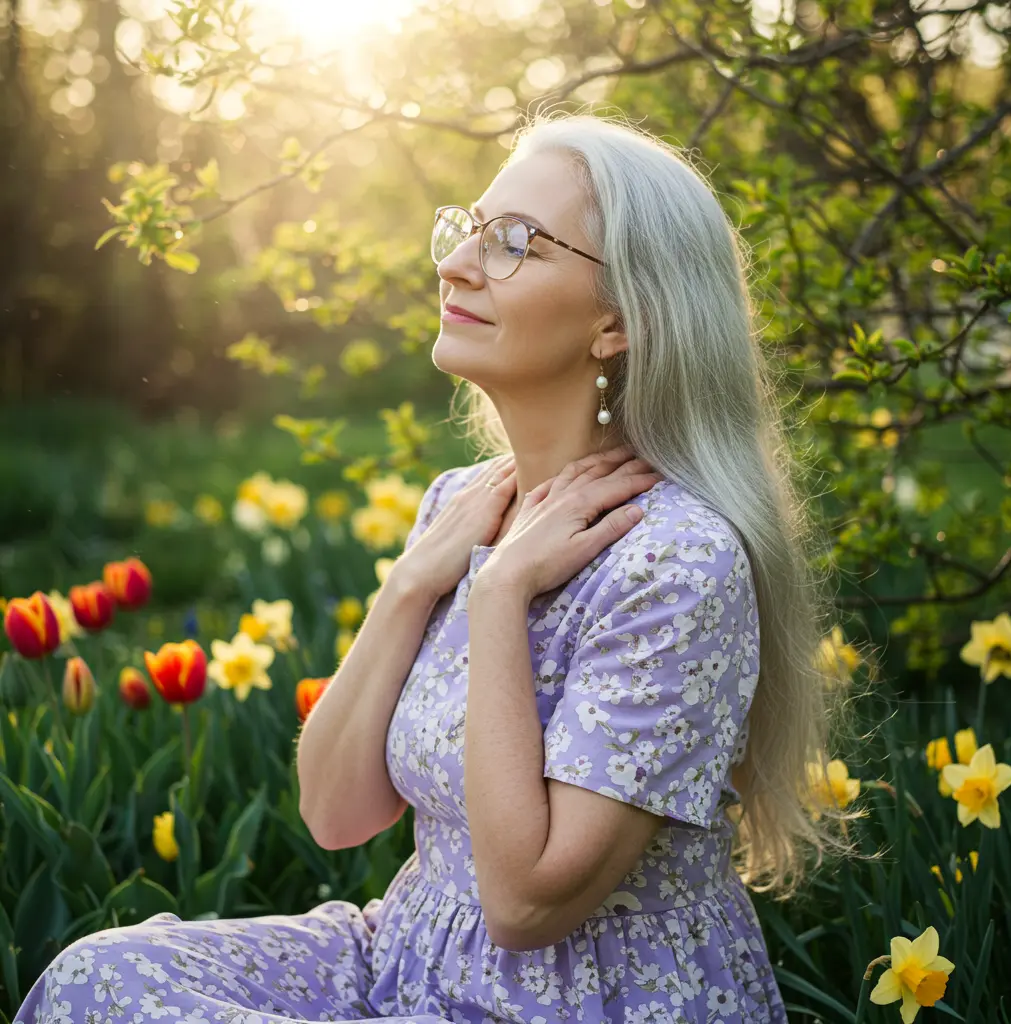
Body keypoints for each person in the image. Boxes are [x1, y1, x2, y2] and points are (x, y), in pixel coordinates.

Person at [15, 110, 851, 1024]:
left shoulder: (676, 563)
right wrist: (414, 582)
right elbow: (335, 812)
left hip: (574, 1003)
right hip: (411, 957)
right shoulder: (464, 505)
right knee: (98, 981)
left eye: (515, 243)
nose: (454, 265)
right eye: (469, 229)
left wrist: (499, 597)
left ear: (617, 321)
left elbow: (527, 906)